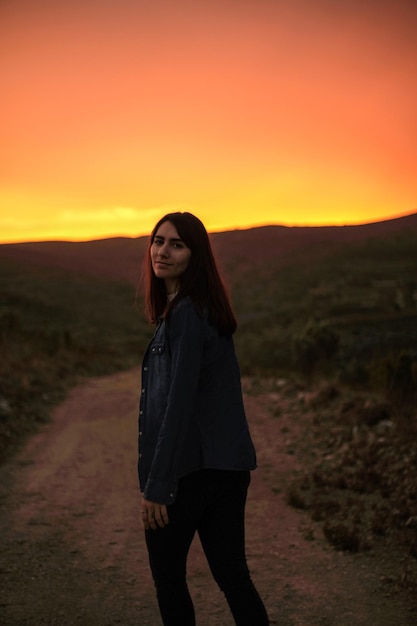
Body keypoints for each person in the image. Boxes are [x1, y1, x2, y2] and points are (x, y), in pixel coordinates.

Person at [138, 212, 269, 625]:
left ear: (196, 256)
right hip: (227, 468)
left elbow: (178, 404)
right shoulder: (197, 310)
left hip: (190, 472)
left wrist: (158, 485)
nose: (162, 251)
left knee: (169, 580)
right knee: (233, 576)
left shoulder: (187, 316)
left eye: (177, 244)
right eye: (158, 241)